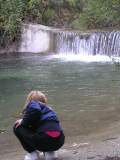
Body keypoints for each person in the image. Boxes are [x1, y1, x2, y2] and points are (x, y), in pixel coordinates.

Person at [13, 90, 65, 160]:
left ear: (29, 100)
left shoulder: (33, 104)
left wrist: (23, 121)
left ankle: (33, 154)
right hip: (59, 141)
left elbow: (36, 111)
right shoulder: (49, 110)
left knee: (17, 126)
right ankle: (50, 153)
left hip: (44, 140)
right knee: (45, 129)